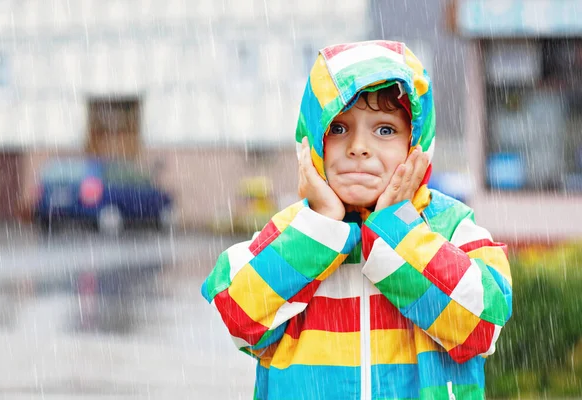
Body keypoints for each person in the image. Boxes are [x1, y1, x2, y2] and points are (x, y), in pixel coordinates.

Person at [201, 40, 512, 400]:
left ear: (416, 143)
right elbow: (239, 316)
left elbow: (481, 326)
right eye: (338, 129)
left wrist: (395, 229)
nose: (358, 147)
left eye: (384, 130)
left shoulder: (450, 226)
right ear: (313, 143)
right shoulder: (294, 231)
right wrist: (322, 226)